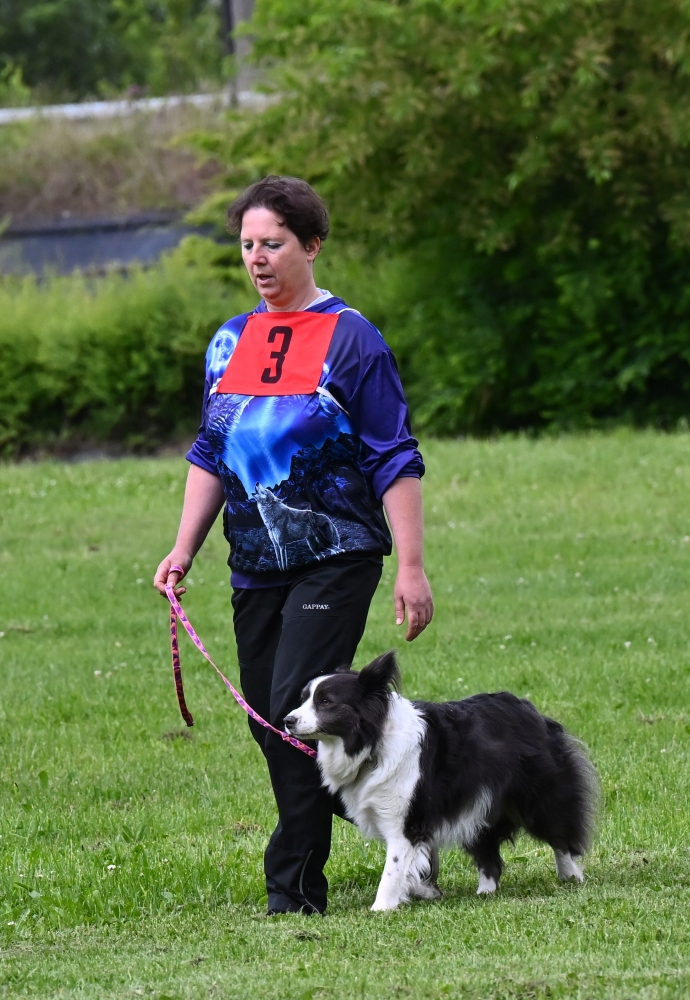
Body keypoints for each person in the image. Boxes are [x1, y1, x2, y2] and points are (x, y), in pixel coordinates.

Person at [152, 176, 433, 914]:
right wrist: (183, 549)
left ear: (310, 244)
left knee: (291, 712)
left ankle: (295, 887)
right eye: (246, 245)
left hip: (337, 557)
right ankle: (414, 830)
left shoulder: (352, 339)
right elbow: (212, 453)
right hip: (255, 566)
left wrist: (411, 566)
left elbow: (394, 456)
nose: (257, 258)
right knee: (270, 722)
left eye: (272, 243)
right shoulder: (229, 341)